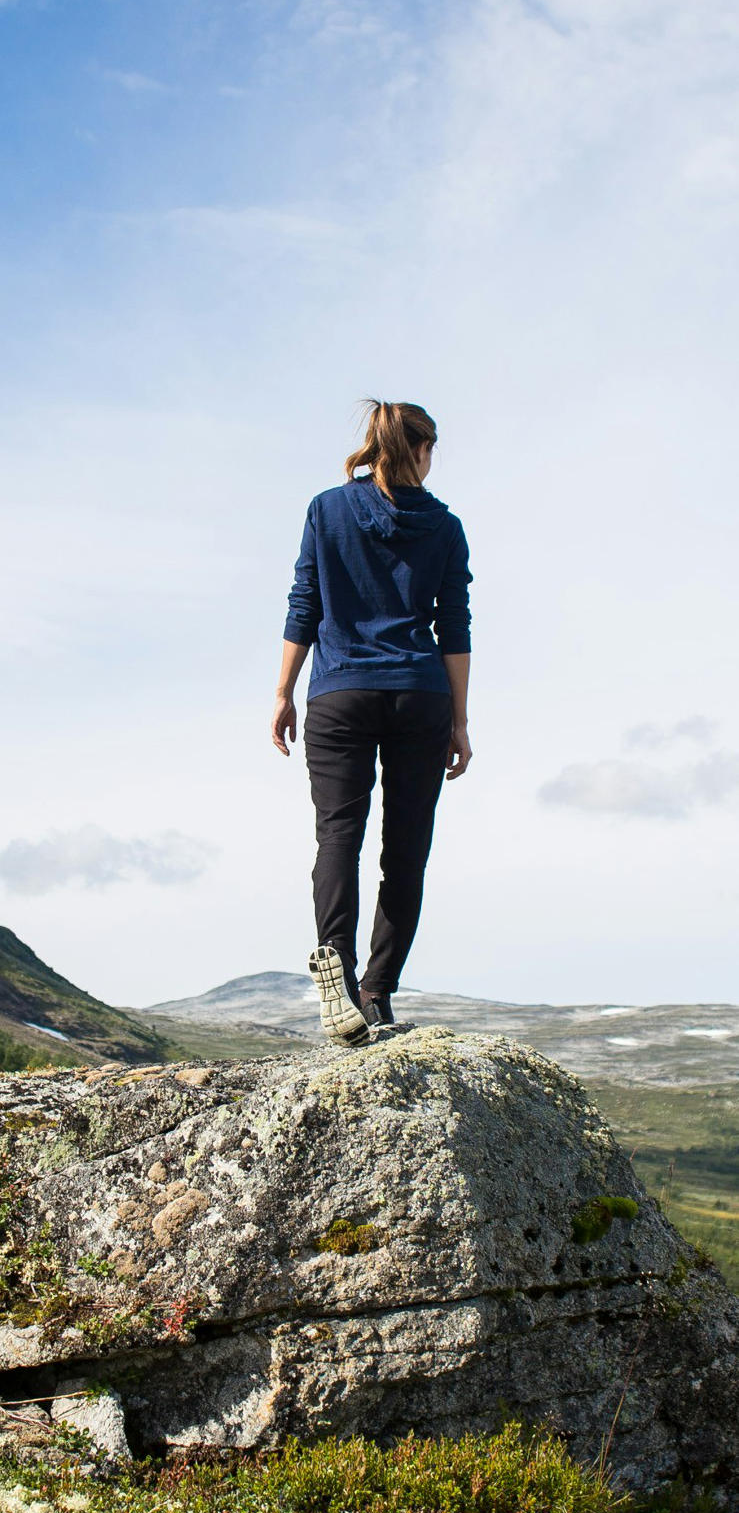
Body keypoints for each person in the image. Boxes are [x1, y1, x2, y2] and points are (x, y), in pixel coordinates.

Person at [271, 399, 472, 1046]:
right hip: (419, 694)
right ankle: (376, 992)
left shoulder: (326, 509)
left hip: (339, 693)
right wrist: (460, 719)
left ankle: (336, 965)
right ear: (420, 449)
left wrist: (283, 691)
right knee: (405, 851)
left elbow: (304, 604)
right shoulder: (444, 526)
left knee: (338, 837)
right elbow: (454, 627)